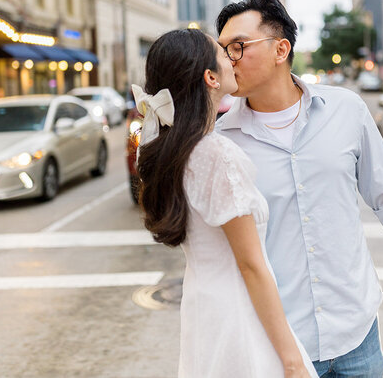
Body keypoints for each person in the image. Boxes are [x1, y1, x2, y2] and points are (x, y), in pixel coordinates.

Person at [215, 0, 383, 378]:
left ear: (280, 49)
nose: (228, 59)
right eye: (222, 50)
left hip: (356, 332)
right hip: (279, 343)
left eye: (238, 46)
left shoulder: (346, 109)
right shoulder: (222, 141)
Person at [134, 29, 317, 378]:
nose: (232, 58)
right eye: (222, 53)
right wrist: (291, 359)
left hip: (203, 309)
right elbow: (250, 265)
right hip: (240, 317)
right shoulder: (215, 154)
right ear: (210, 77)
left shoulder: (174, 148)